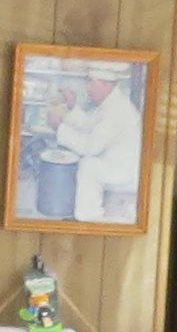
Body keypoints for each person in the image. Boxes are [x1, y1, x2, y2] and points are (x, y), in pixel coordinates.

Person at [49, 66, 146, 224]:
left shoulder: (117, 110)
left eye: (91, 83)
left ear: (106, 85)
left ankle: (87, 219)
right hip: (117, 163)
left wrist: (59, 128)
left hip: (125, 172)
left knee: (88, 165)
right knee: (87, 162)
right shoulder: (112, 103)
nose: (88, 89)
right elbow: (89, 125)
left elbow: (89, 147)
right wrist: (72, 106)